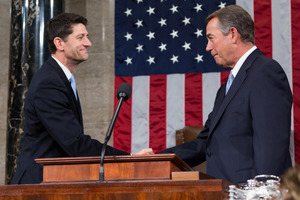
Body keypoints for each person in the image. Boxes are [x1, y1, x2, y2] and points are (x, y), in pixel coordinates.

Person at [11, 13, 153, 184]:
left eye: (87, 36)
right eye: (80, 37)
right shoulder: (49, 83)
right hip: (38, 184)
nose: (88, 43)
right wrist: (129, 158)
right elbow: (75, 143)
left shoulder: (60, 78)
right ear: (59, 43)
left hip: (55, 180)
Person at [159, 5, 293, 184]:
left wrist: (260, 194)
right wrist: (156, 158)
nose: (207, 47)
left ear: (233, 34)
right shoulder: (226, 89)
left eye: (211, 38)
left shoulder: (265, 72)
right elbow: (204, 143)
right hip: (226, 192)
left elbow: (271, 146)